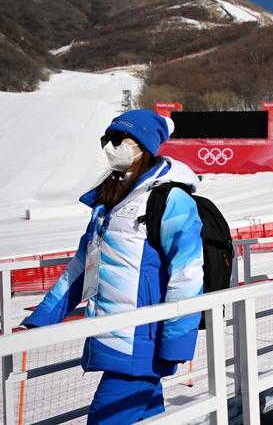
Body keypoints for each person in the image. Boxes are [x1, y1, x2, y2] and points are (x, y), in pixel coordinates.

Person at [21, 109, 204, 424]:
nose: (110, 146)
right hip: (112, 335)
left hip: (143, 341)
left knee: (105, 418)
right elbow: (82, 268)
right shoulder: (108, 202)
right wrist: (41, 319)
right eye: (106, 139)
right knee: (146, 417)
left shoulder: (170, 199)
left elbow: (187, 274)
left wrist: (176, 342)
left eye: (119, 139)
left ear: (144, 145)